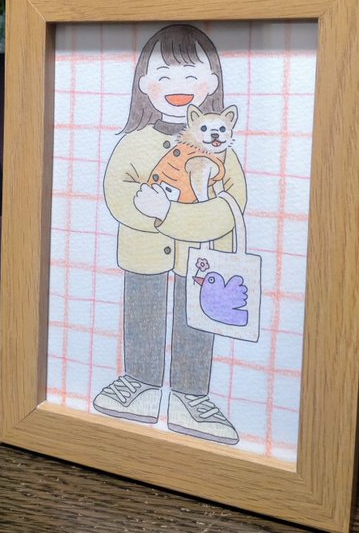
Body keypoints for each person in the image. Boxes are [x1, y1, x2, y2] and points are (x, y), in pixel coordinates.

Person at [93, 24, 247, 445]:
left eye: (190, 75)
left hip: (200, 260)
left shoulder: (221, 151)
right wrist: (146, 209)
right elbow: (117, 194)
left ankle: (191, 396)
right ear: (145, 84)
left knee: (197, 320)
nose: (177, 86)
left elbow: (231, 207)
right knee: (142, 313)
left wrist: (171, 214)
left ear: (210, 83)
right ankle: (139, 382)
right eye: (164, 75)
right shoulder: (134, 142)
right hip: (142, 254)